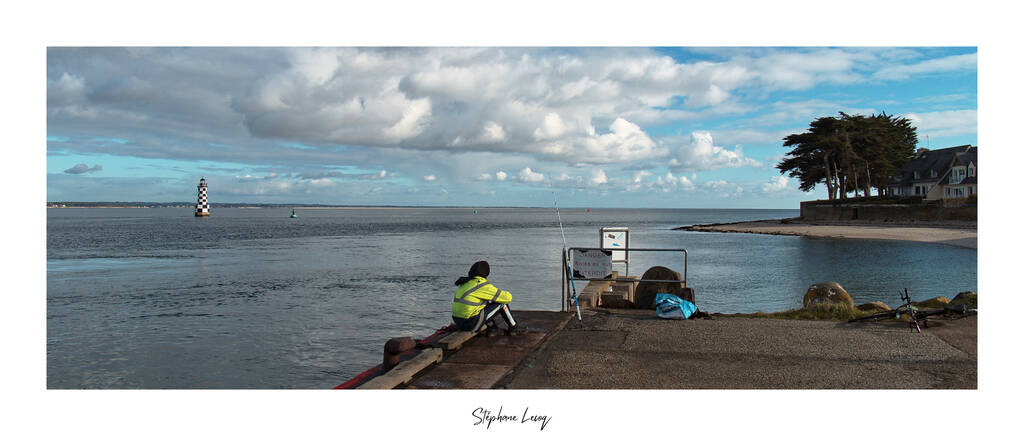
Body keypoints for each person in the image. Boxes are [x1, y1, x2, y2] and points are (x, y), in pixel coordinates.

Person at [452, 260, 524, 335]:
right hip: (470, 324)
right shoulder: (481, 284)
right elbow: (508, 298)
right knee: (501, 304)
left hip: (459, 323)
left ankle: (492, 328)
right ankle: (514, 328)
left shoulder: (464, 284)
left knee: (482, 304)